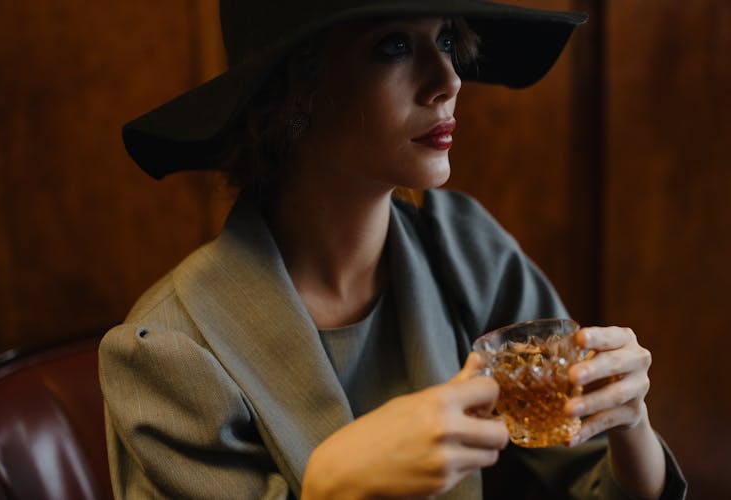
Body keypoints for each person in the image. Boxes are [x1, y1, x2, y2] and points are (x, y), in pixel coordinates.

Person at [99, 1, 687, 498]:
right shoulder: (170, 354)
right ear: (295, 89)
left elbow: (592, 480)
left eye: (449, 40)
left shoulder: (466, 251)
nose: (449, 80)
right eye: (395, 46)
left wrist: (629, 423)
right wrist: (331, 484)